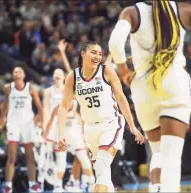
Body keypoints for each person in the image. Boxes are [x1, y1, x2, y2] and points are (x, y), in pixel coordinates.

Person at [108, 0, 191, 192]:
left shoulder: (132, 12)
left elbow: (115, 44)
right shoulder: (183, 10)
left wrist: (123, 71)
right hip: (174, 84)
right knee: (171, 157)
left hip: (143, 88)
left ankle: (155, 187)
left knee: (157, 149)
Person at [56, 41, 144, 192]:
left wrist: (132, 126)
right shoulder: (73, 77)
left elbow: (122, 99)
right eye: (94, 52)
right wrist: (60, 133)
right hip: (89, 128)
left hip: (110, 124)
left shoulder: (106, 71)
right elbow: (64, 106)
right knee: (101, 171)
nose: (97, 56)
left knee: (102, 165)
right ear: (83, 54)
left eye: (100, 53)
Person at [43, 68, 94, 193]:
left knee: (83, 156)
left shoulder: (75, 100)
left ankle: (92, 181)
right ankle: (59, 186)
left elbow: (82, 117)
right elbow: (50, 119)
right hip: (61, 131)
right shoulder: (56, 104)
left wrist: (84, 133)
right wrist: (46, 134)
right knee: (61, 159)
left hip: (74, 131)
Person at [0, 64, 44, 193]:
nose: (17, 73)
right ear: (13, 75)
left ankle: (32, 184)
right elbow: (5, 105)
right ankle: (8, 185)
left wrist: (39, 121)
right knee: (12, 157)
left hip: (27, 124)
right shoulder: (8, 88)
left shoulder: (31, 88)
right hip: (13, 124)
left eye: (19, 72)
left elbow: (40, 108)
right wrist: (2, 119)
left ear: (23, 75)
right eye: (15, 72)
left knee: (30, 156)